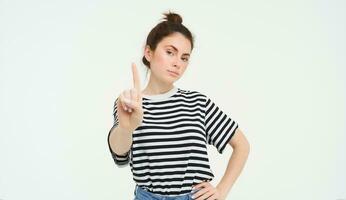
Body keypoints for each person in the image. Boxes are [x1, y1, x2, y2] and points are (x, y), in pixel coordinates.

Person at [107, 11, 250, 200]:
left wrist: (221, 190)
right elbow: (120, 155)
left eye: (184, 57)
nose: (177, 63)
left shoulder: (197, 103)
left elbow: (242, 145)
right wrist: (126, 127)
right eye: (170, 52)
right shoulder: (131, 104)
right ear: (148, 52)